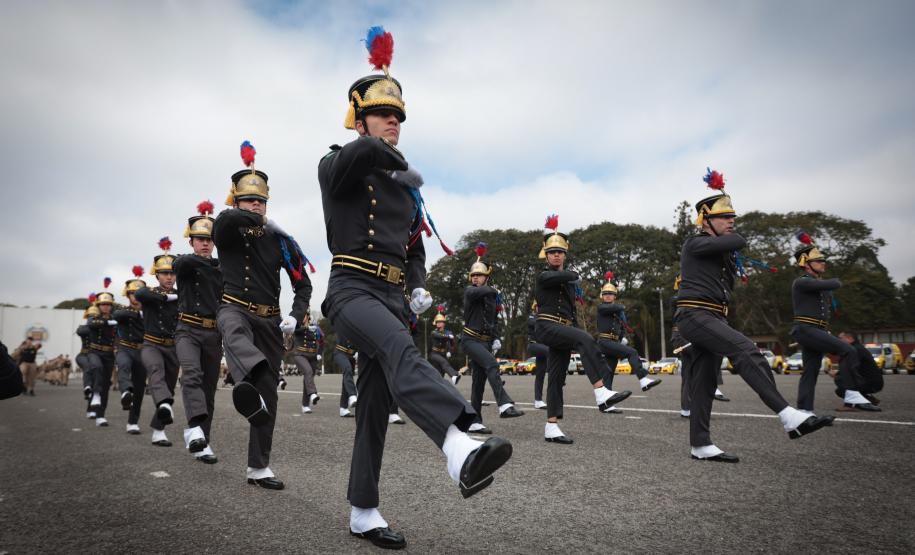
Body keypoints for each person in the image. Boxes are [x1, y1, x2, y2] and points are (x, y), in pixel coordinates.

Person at [317, 26, 511, 549]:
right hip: (351, 289)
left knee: (374, 409)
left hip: (392, 297)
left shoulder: (406, 192)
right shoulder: (337, 164)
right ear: (359, 119)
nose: (394, 122)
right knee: (400, 350)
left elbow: (414, 250)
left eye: (399, 116)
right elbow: (354, 158)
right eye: (383, 113)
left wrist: (419, 285)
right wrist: (380, 149)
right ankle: (457, 447)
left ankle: (363, 511)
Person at [675, 168, 833, 463]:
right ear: (705, 220)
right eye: (724, 217)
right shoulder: (694, 243)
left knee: (706, 382)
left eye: (732, 216)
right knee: (746, 350)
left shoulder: (719, 251)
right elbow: (739, 241)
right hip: (695, 315)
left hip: (714, 318)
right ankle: (788, 416)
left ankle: (700, 444)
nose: (731, 221)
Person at [214, 140, 313, 490]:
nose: (256, 204)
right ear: (236, 201)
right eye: (248, 200)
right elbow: (226, 219)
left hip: (270, 319)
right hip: (233, 307)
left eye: (261, 200)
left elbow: (303, 285)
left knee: (268, 396)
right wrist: (261, 219)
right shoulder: (227, 228)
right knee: (234, 332)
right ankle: (248, 375)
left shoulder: (280, 241)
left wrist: (295, 315)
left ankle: (258, 467)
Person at [534, 215, 630, 444]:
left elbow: (570, 312)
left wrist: (576, 330)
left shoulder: (569, 285)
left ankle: (551, 426)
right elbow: (568, 275)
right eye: (552, 252)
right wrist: (575, 276)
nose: (556, 255)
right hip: (546, 326)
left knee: (556, 377)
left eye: (560, 251)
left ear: (565, 254)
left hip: (563, 329)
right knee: (585, 338)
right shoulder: (544, 276)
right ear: (545, 255)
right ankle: (601, 392)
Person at [791, 232, 875, 411]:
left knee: (810, 372)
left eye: (823, 261)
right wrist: (832, 281)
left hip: (815, 331)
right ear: (806, 264)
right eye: (818, 261)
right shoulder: (802, 282)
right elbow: (835, 283)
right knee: (848, 350)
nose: (823, 263)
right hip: (806, 329)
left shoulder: (817, 283)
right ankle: (851, 393)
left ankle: (804, 411)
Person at [175, 201, 223, 464]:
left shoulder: (221, 268)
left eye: (209, 239)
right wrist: (212, 264)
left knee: (208, 390)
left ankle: (203, 441)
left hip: (213, 334)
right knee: (191, 374)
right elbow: (180, 264)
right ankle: (194, 430)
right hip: (187, 330)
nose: (205, 243)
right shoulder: (185, 263)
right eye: (200, 239)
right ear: (191, 241)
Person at [460, 242, 524, 434]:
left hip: (485, 341)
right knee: (492, 365)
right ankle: (504, 405)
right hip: (470, 340)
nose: (475, 278)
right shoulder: (471, 291)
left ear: (486, 277)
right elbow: (487, 291)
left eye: (479, 275)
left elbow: (492, 321)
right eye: (474, 275)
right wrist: (495, 290)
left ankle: (474, 421)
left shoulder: (489, 297)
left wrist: (495, 337)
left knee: (478, 382)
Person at [136, 240, 180, 447]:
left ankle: (158, 431)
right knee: (155, 371)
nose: (169, 277)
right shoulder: (149, 293)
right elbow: (140, 293)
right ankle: (163, 405)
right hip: (151, 344)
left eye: (172, 273)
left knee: (168, 388)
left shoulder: (181, 294)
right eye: (164, 273)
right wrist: (166, 298)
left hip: (173, 347)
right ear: (157, 275)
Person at [595, 271, 661, 407]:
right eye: (605, 294)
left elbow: (620, 328)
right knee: (632, 352)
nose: (608, 296)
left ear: (614, 296)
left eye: (610, 294)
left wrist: (620, 339)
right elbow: (619, 307)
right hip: (605, 342)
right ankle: (643, 379)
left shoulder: (616, 312)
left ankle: (605, 404)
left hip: (612, 342)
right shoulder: (602, 307)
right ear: (602, 296)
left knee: (608, 373)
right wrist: (621, 308)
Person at [113, 268, 147, 434]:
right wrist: (138, 314)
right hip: (125, 348)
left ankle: (133, 422)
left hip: (143, 352)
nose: (136, 296)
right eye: (132, 293)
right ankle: (126, 391)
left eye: (139, 293)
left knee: (139, 388)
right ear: (128, 295)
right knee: (123, 365)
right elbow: (117, 314)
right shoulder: (123, 311)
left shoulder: (150, 312)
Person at [86, 288, 118, 427]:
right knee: (97, 368)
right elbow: (91, 324)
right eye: (103, 304)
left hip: (109, 354)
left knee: (105, 385)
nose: (106, 306)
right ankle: (95, 396)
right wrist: (107, 323)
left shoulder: (115, 317)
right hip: (94, 351)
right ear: (98, 305)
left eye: (108, 304)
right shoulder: (94, 316)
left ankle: (100, 415)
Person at [836, 331, 884, 407]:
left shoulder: (854, 350)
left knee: (842, 386)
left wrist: (836, 374)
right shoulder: (858, 348)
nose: (838, 340)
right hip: (873, 382)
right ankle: (868, 400)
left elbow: (850, 369)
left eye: (840, 338)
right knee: (842, 385)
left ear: (850, 339)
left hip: (870, 383)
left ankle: (851, 406)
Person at [292, 314, 322, 414]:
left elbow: (322, 340)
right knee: (308, 371)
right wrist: (306, 328)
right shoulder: (297, 326)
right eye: (305, 316)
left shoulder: (315, 328)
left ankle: (305, 405)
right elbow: (295, 331)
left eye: (307, 316)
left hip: (312, 356)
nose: (306, 318)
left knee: (308, 378)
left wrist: (319, 353)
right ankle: (313, 393)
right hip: (300, 354)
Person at [429, 307, 460, 385]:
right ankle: (454, 376)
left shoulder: (448, 332)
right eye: (437, 322)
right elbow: (440, 336)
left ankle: (436, 387)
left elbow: (452, 344)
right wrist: (448, 336)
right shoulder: (434, 332)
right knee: (444, 362)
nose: (438, 323)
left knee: (440, 374)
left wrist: (450, 351)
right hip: (435, 354)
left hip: (443, 354)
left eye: (440, 322)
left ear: (444, 323)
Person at [526, 303, 549, 409]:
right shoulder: (532, 317)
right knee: (551, 352)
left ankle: (538, 400)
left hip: (542, 348)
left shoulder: (544, 318)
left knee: (540, 374)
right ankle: (558, 374)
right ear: (535, 307)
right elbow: (533, 323)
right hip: (533, 345)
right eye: (538, 306)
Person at [76, 305, 96, 410]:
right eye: (89, 317)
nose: (91, 319)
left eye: (94, 316)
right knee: (88, 367)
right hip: (83, 355)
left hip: (96, 356)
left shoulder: (101, 329)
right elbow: (81, 332)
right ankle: (87, 387)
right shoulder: (83, 328)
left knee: (96, 381)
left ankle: (90, 405)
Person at [333, 337, 358, 418]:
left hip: (352, 355)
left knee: (347, 377)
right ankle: (352, 395)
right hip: (340, 352)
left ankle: (343, 408)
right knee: (347, 369)